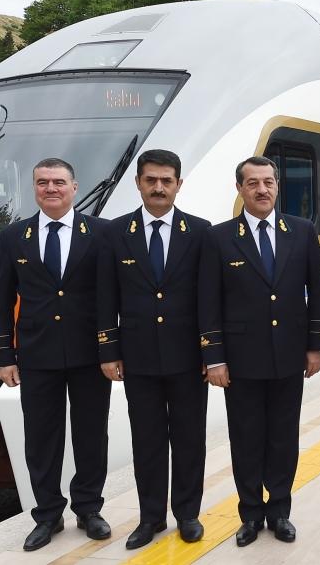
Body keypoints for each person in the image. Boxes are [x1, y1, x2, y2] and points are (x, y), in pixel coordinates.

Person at [198, 156, 320, 547]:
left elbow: (318, 293)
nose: (262, 190)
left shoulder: (301, 231)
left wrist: (315, 346)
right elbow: (208, 301)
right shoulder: (219, 237)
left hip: (289, 355)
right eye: (253, 183)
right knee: (247, 438)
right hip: (240, 360)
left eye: (268, 182)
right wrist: (214, 357)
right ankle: (251, 514)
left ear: (277, 186)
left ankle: (280, 511)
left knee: (284, 438)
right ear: (240, 189)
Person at [0, 158, 111, 551]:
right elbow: (4, 299)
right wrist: (4, 354)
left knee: (91, 434)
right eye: (42, 183)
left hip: (90, 355)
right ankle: (47, 515)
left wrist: (114, 347)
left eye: (59, 182)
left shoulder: (101, 233)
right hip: (36, 356)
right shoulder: (14, 236)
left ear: (74, 187)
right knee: (41, 439)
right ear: (34, 188)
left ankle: (89, 508)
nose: (51, 189)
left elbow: (114, 296)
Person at [96, 149, 211, 548]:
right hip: (138, 358)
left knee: (189, 438)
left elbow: (208, 299)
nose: (159, 187)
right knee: (146, 440)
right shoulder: (114, 232)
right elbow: (105, 296)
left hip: (188, 359)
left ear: (179, 184)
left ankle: (188, 514)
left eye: (166, 180)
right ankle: (150, 518)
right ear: (139, 183)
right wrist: (109, 350)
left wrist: (210, 354)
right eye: (151, 180)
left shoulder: (200, 232)